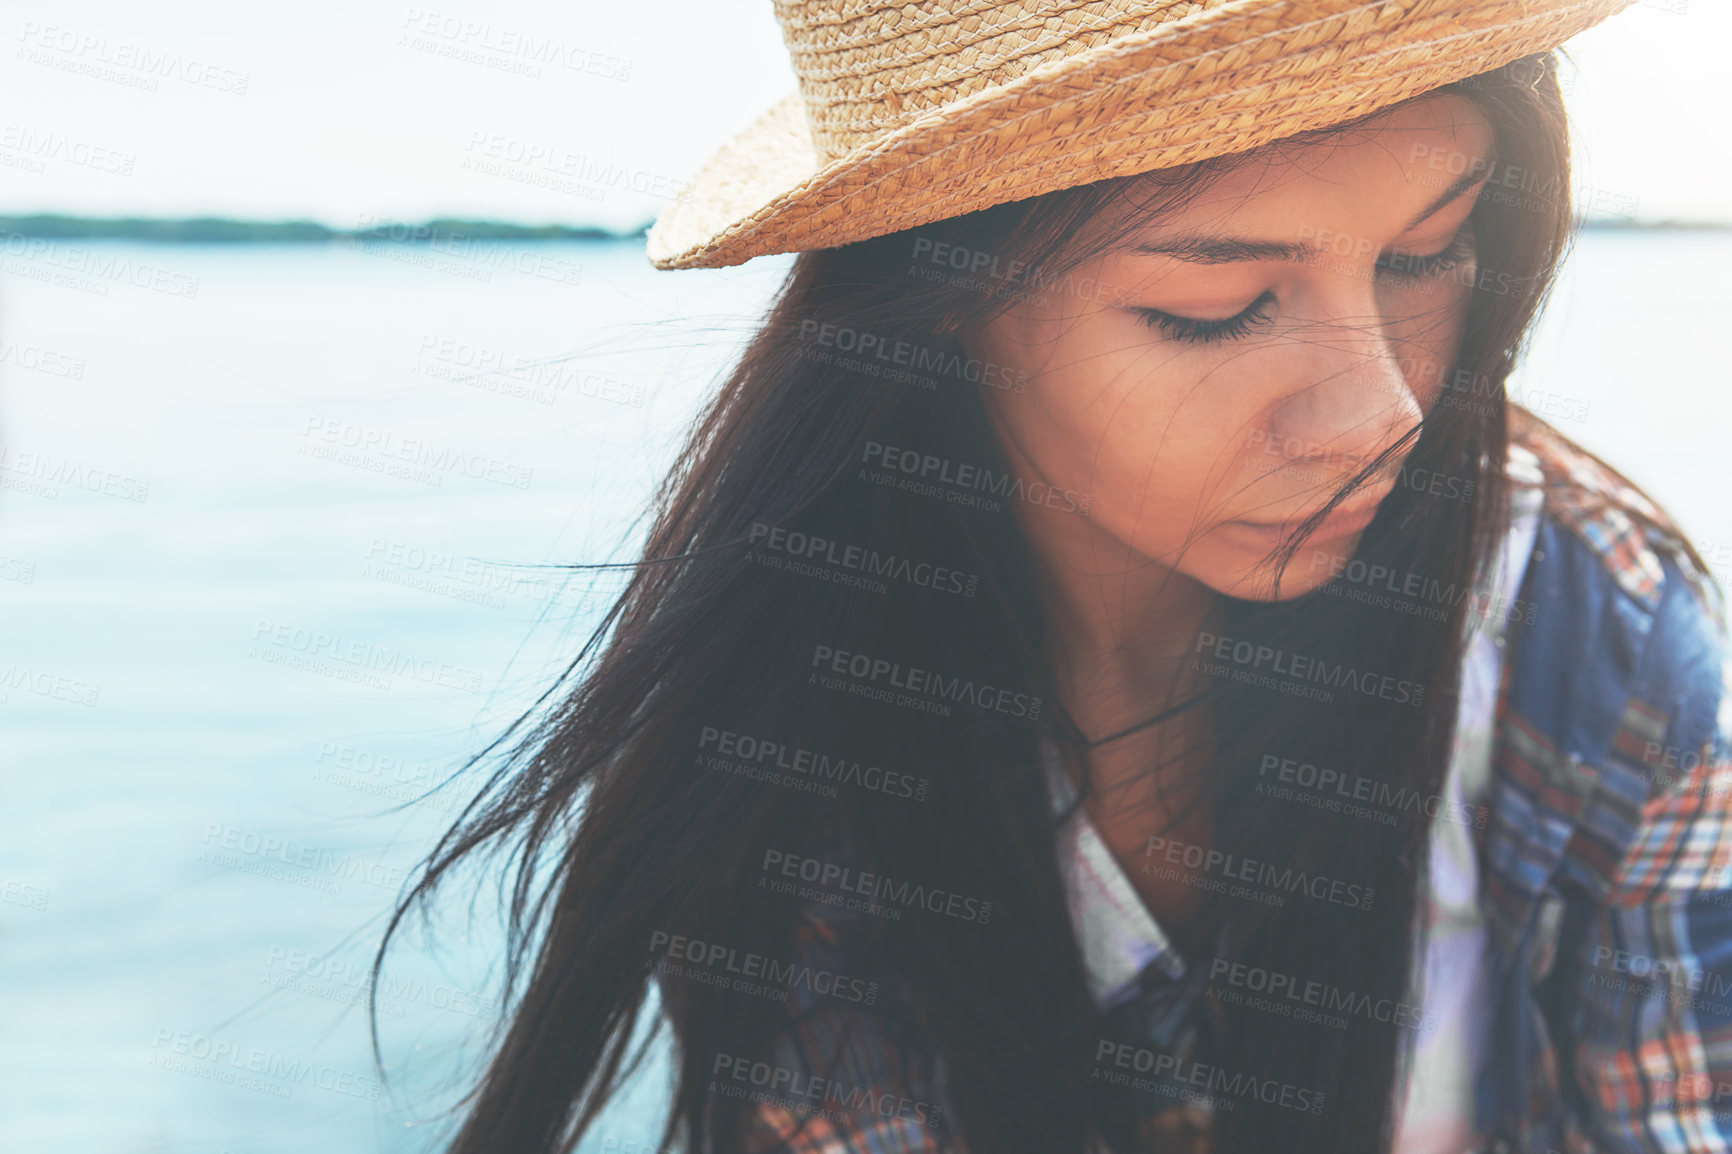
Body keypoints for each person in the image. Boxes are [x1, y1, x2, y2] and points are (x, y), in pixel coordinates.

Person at [381, 1, 1732, 1151]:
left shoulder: (1587, 631)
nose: (1380, 409)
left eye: (1427, 255)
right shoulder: (805, 721)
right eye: (1212, 308)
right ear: (946, 292)